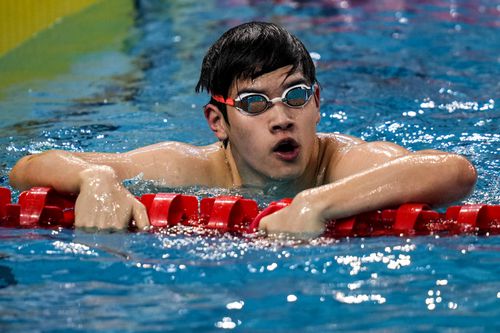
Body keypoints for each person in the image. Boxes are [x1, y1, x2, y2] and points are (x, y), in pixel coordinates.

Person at [9, 22, 477, 238]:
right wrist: (94, 178)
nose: (281, 117)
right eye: (254, 104)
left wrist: (316, 201)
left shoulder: (343, 163)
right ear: (219, 123)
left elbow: (453, 171)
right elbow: (26, 168)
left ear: (316, 104)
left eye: (295, 96)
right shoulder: (184, 165)